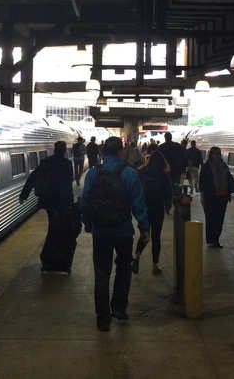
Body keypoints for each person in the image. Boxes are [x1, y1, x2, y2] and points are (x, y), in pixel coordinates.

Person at [81, 136, 150, 331]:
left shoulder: (93, 174)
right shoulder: (130, 174)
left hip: (100, 232)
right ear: (121, 152)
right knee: (123, 270)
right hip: (123, 231)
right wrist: (144, 228)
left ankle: (103, 318)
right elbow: (138, 204)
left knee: (102, 273)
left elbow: (85, 202)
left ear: (103, 152)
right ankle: (119, 308)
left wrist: (88, 224)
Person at [20, 141, 80, 274]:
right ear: (64, 151)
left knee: (53, 228)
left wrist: (24, 195)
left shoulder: (45, 162)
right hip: (61, 203)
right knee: (57, 230)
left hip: (48, 203)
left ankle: (49, 262)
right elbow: (68, 185)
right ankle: (57, 263)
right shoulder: (66, 164)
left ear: (54, 149)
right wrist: (70, 204)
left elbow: (33, 177)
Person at [139, 150, 172, 274]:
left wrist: (145, 163)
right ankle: (155, 265)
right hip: (157, 208)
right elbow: (168, 193)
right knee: (156, 237)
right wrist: (168, 206)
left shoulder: (144, 172)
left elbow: (136, 172)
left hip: (145, 208)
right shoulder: (163, 174)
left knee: (145, 233)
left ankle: (137, 256)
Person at [199, 147, 234, 247]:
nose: (217, 156)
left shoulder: (223, 165)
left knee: (219, 219)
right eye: (215, 154)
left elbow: (229, 178)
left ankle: (216, 240)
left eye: (218, 154)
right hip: (210, 197)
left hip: (222, 197)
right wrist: (202, 196)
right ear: (210, 155)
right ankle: (211, 240)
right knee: (210, 218)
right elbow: (202, 182)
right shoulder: (206, 166)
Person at [158, 132, 187, 208]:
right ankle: (177, 203)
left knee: (166, 186)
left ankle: (167, 204)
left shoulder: (161, 147)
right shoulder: (178, 146)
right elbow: (184, 158)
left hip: (165, 171)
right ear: (171, 137)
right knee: (176, 185)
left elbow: (158, 160)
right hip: (177, 170)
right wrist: (184, 168)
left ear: (165, 138)